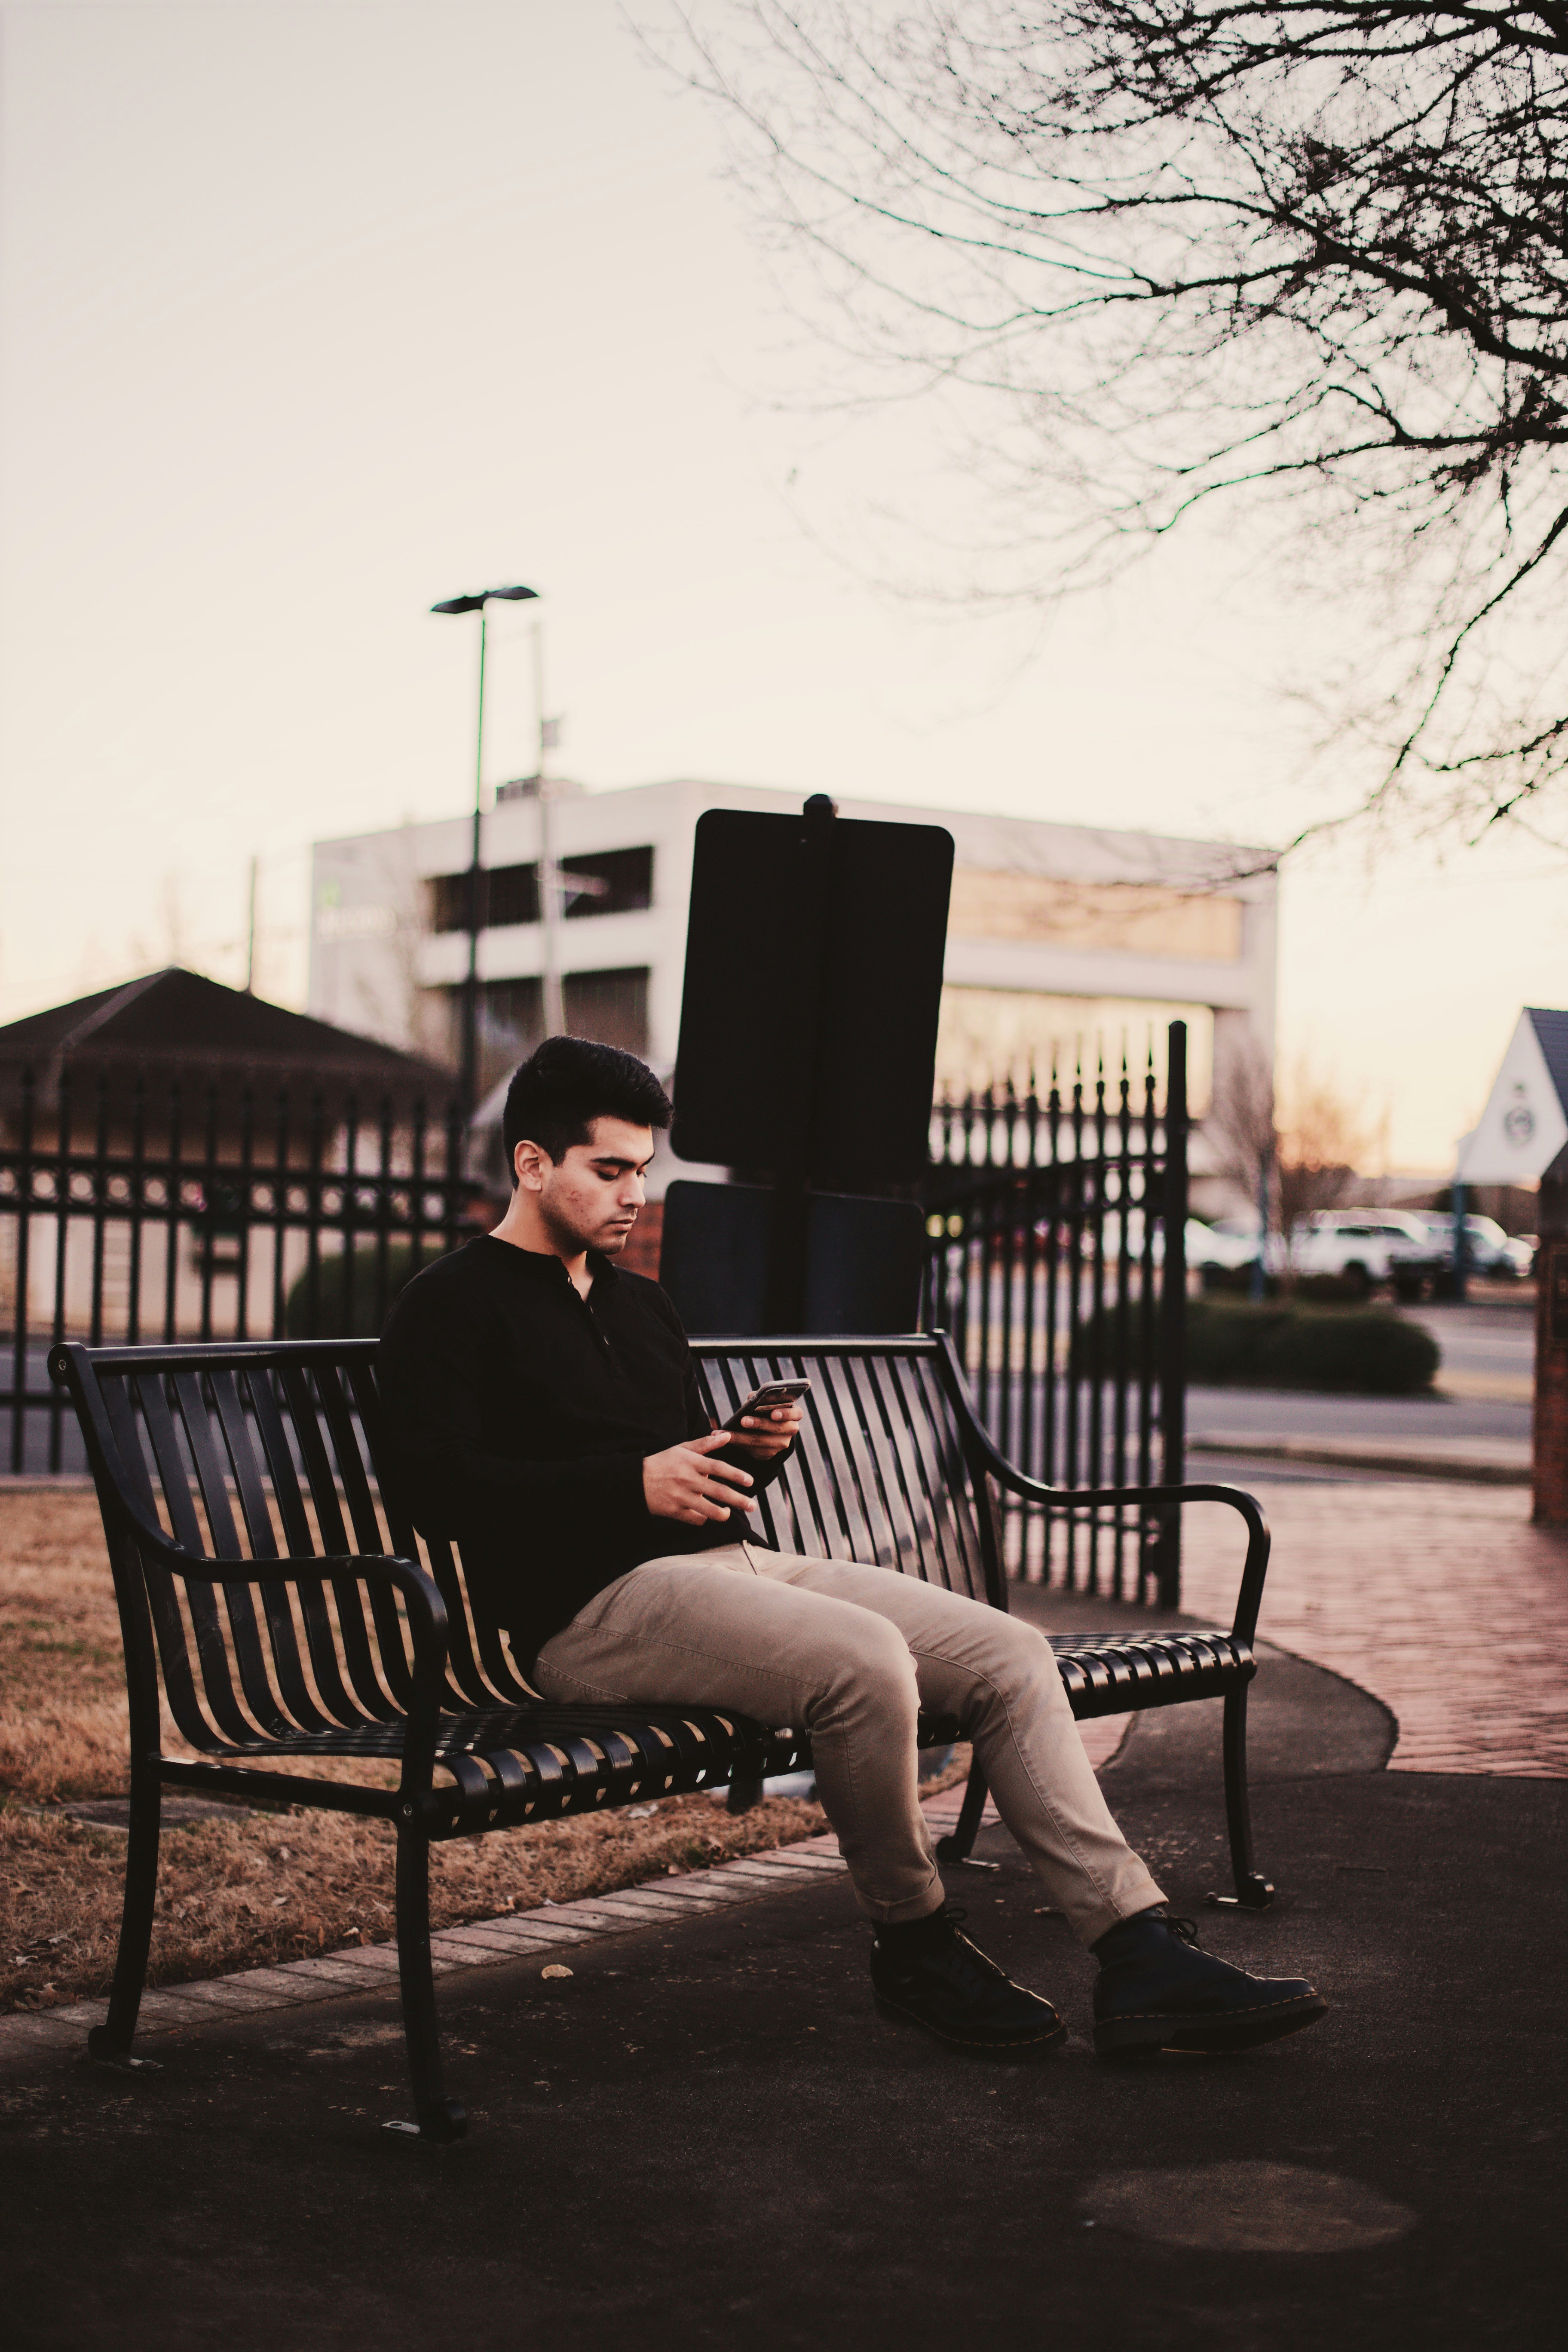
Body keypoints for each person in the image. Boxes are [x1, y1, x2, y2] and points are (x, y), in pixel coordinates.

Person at [379, 1036, 1327, 2062]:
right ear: (532, 1164)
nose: (632, 1195)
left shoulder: (637, 1301)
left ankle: (1137, 1951)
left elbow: (684, 1479)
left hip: (724, 1573)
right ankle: (914, 1941)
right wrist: (627, 1482)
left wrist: (744, 1455)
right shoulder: (451, 1302)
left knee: (1011, 1652)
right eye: (609, 1170)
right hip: (584, 1612)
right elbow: (432, 1490)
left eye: (643, 1171)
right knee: (862, 1661)